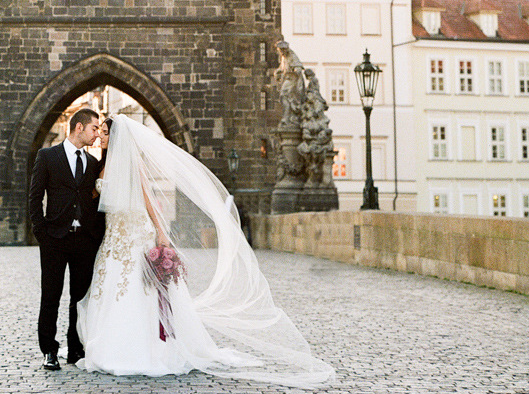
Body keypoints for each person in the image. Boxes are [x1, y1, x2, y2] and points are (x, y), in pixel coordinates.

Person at [76, 115, 336, 387]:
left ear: (117, 136)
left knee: (138, 290)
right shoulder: (102, 165)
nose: (101, 137)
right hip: (114, 237)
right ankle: (110, 346)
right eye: (100, 132)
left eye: (105, 132)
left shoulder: (132, 163)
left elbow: (148, 199)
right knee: (110, 290)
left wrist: (161, 233)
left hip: (136, 233)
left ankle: (147, 350)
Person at [29, 108, 104, 371]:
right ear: (79, 127)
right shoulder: (47, 156)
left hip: (85, 240)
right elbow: (35, 196)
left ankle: (75, 348)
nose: (97, 134)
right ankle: (49, 350)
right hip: (55, 239)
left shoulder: (93, 164)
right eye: (95, 128)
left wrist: (97, 234)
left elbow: (98, 204)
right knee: (50, 295)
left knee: (79, 297)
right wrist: (41, 231)